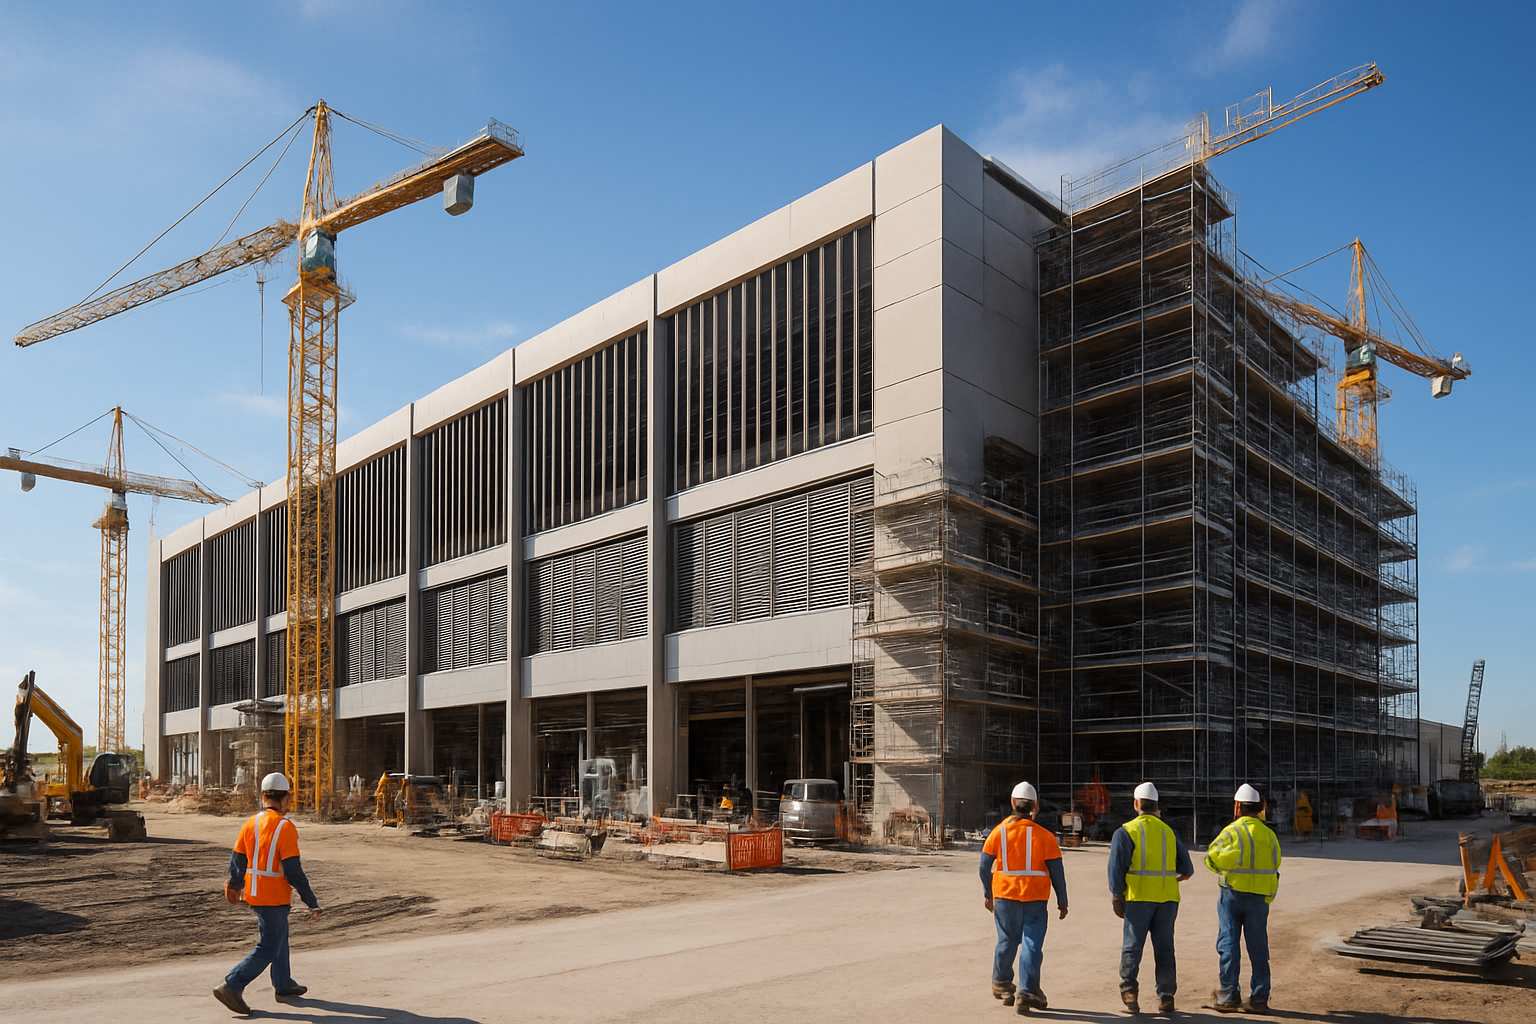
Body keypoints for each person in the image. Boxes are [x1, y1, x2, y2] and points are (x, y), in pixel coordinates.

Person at [213, 772, 322, 1016]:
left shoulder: (250, 823)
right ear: (285, 799)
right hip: (273, 896)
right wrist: (311, 902)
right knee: (269, 945)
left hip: (255, 893)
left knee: (279, 937)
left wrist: (234, 886)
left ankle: (283, 984)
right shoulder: (285, 827)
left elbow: (237, 860)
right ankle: (232, 985)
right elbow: (294, 871)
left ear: (263, 796)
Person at [980, 781, 1069, 1013]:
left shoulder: (998, 832)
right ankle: (1028, 991)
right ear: (1035, 806)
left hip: (1005, 896)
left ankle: (1001, 982)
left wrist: (988, 892)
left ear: (1012, 803)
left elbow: (983, 865)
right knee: (1031, 944)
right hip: (1035, 900)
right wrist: (1062, 900)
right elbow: (1057, 872)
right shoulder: (1046, 837)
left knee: (1007, 940)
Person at [1107, 781, 1193, 1014]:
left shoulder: (1125, 831)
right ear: (1156, 805)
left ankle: (1129, 994)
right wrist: (1171, 879)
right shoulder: (1169, 832)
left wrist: (1117, 896)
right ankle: (1166, 997)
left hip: (1139, 898)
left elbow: (1116, 868)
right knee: (1165, 948)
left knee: (1132, 947)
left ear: (1136, 804)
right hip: (1167, 900)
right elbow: (1187, 869)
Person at [1204, 784, 1282, 1013]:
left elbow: (1211, 858)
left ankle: (1228, 995)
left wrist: (1232, 861)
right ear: (1260, 808)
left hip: (1232, 896)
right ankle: (1259, 999)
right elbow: (1276, 862)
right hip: (1259, 900)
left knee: (1228, 944)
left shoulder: (1231, 832)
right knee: (1258, 948)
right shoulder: (1269, 835)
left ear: (1237, 806)